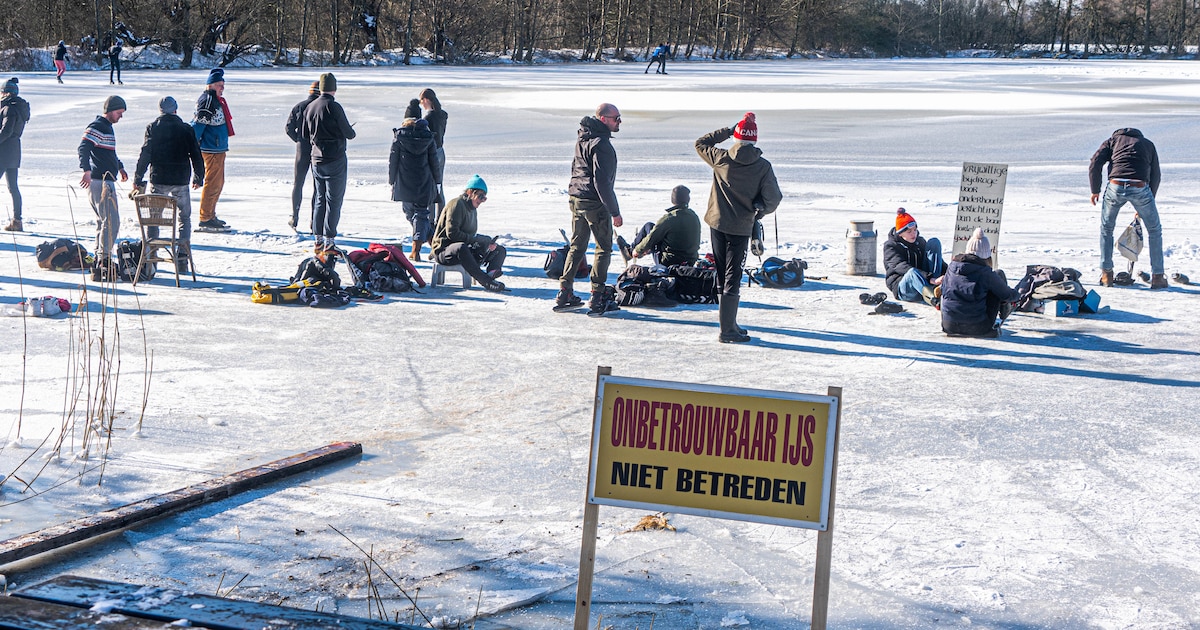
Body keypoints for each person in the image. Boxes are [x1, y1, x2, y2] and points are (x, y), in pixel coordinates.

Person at [696, 113, 782, 342]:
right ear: (755, 139)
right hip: (741, 227)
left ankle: (729, 324)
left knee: (723, 273)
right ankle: (727, 330)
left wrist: (727, 130)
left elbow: (700, 143)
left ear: (736, 137)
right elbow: (773, 199)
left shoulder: (721, 158)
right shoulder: (763, 167)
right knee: (733, 276)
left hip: (717, 223)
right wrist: (759, 210)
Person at [555, 103, 625, 315]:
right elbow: (602, 182)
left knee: (578, 246)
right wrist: (614, 211)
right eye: (616, 118)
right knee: (603, 247)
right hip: (593, 201)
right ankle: (597, 295)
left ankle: (564, 291)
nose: (619, 122)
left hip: (577, 197)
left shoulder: (583, 138)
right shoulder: (600, 143)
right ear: (603, 119)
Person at [133, 96, 205, 273]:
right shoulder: (186, 129)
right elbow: (196, 154)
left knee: (154, 220)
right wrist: (198, 177)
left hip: (159, 179)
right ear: (175, 109)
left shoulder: (153, 128)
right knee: (184, 218)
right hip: (180, 180)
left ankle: (152, 260)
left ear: (160, 110)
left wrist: (137, 177)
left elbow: (145, 154)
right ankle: (182, 258)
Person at [1088, 127, 1166, 289]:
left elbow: (1095, 162)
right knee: (1154, 230)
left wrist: (1095, 190)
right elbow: (1156, 174)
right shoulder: (1147, 144)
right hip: (1140, 187)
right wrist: (1148, 200)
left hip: (1115, 186)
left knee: (1106, 229)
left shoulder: (1112, 141)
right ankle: (1157, 276)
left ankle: (1106, 274)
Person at [300, 72, 356, 258]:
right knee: (334, 200)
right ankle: (330, 241)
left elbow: (304, 134)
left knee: (319, 199)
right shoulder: (334, 106)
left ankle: (318, 241)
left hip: (316, 158)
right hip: (335, 159)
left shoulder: (310, 107)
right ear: (334, 88)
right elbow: (349, 133)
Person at [430, 175, 507, 292]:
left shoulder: (472, 210)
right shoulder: (456, 205)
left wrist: (485, 243)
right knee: (461, 247)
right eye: (480, 196)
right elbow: (452, 234)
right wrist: (476, 239)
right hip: (444, 250)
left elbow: (470, 236)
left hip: (464, 249)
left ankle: (492, 272)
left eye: (484, 198)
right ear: (470, 192)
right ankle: (486, 281)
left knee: (499, 250)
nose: (481, 201)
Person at [77, 95, 129, 263]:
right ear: (111, 110)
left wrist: (119, 166)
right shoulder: (98, 126)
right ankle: (104, 258)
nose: (121, 116)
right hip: (100, 181)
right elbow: (83, 148)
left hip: (104, 180)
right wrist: (86, 170)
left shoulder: (107, 127)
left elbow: (109, 153)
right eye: (119, 112)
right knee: (112, 221)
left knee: (103, 221)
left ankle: (99, 256)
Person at [941, 228, 1018, 338]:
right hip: (977, 327)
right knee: (998, 275)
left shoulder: (951, 267)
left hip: (949, 325)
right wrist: (1018, 294)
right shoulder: (986, 272)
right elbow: (1008, 295)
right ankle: (1003, 314)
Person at [389, 99, 439, 261]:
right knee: (416, 214)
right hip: (424, 181)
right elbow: (434, 161)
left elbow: (393, 160)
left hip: (405, 181)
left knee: (418, 214)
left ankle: (415, 250)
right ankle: (436, 246)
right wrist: (437, 180)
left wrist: (391, 180)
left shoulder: (400, 136)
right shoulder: (428, 136)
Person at [192, 68, 234, 230]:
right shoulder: (208, 101)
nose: (222, 88)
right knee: (213, 184)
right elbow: (198, 125)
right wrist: (192, 144)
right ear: (210, 85)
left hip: (218, 148)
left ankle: (210, 214)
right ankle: (206, 217)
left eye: (223, 85)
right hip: (211, 149)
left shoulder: (215, 100)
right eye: (219, 85)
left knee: (218, 183)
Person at [883, 207, 945, 305]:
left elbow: (936, 260)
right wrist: (929, 278)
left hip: (927, 280)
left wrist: (952, 273)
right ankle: (935, 300)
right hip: (904, 288)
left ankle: (937, 288)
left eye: (915, 230)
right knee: (912, 272)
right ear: (900, 234)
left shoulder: (920, 242)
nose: (913, 234)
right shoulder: (891, 246)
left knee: (934, 242)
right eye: (909, 232)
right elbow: (901, 266)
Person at [628, 185, 701, 266]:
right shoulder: (694, 217)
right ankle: (637, 250)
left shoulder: (669, 219)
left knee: (648, 227)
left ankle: (630, 252)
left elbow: (651, 238)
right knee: (655, 229)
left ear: (673, 199)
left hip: (669, 262)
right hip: (690, 260)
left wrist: (638, 250)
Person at [285, 80, 321, 231]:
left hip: (301, 148)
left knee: (298, 183)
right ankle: (314, 221)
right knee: (318, 186)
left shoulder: (299, 106)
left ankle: (295, 216)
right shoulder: (321, 107)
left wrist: (299, 140)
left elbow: (288, 128)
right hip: (318, 148)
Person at [0, 78, 29, 232]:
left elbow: (6, 131)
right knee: (13, 187)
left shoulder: (9, 108)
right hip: (14, 151)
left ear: (5, 92)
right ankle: (17, 220)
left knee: (13, 187)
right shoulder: (19, 107)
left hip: (3, 151)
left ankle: (17, 221)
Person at [420, 88, 448, 213]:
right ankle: (441, 216)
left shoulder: (428, 117)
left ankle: (430, 219)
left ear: (426, 100)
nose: (421, 104)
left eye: (422, 101)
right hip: (441, 151)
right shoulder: (442, 114)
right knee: (439, 185)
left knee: (430, 186)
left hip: (432, 153)